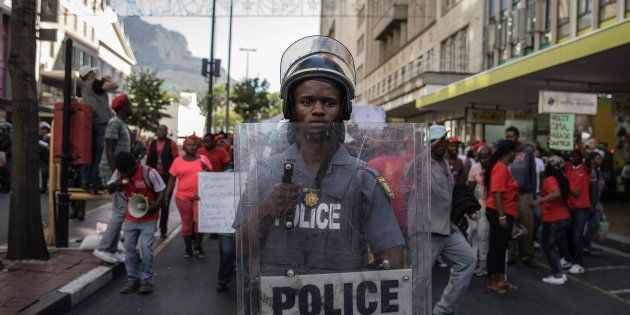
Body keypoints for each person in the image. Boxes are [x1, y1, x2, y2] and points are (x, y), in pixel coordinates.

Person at [234, 36, 407, 309]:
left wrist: (373, 287)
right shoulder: (267, 173)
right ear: (293, 109)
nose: (317, 110)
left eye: (328, 102)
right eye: (306, 101)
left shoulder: (363, 179)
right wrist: (266, 210)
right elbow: (239, 246)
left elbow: (393, 255)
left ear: (343, 110)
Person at [426, 125, 476, 314]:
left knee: (468, 261)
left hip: (447, 226)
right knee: (418, 279)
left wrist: (467, 208)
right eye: (436, 141)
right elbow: (409, 172)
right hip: (427, 229)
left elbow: (451, 191)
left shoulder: (444, 163)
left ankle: (443, 309)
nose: (441, 145)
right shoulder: (421, 162)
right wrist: (428, 148)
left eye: (444, 141)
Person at [107, 151, 165, 294]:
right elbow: (109, 188)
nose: (125, 174)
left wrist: (156, 206)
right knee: (129, 249)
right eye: (122, 172)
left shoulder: (149, 172)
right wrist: (116, 184)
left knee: (145, 248)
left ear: (133, 166)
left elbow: (161, 189)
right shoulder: (120, 173)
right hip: (131, 216)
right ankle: (133, 280)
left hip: (148, 218)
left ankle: (147, 281)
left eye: (126, 172)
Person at [93, 94, 132, 263]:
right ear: (123, 107)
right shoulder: (114, 123)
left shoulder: (120, 123)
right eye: (129, 105)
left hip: (118, 170)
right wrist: (117, 173)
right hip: (113, 172)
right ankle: (104, 248)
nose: (131, 108)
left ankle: (112, 248)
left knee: (119, 210)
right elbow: (109, 150)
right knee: (121, 210)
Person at [165, 136, 212, 258]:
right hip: (182, 197)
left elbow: (211, 177)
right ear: (184, 146)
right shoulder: (177, 161)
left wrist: (206, 169)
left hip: (200, 197)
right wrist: (167, 194)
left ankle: (197, 246)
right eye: (189, 144)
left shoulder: (204, 159)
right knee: (187, 222)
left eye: (194, 144)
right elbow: (171, 179)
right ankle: (187, 248)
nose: (191, 147)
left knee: (200, 223)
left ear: (197, 146)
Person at [485, 139, 519, 294]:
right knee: (496, 248)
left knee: (501, 248)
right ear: (510, 153)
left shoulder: (504, 167)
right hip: (499, 213)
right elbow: (497, 193)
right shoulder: (500, 168)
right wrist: (502, 216)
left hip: (506, 213)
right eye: (515, 152)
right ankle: (492, 281)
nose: (516, 155)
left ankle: (501, 279)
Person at [530, 156, 571, 285]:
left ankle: (558, 274)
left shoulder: (550, 179)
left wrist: (539, 201)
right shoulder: (562, 179)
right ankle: (559, 272)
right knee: (553, 246)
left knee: (548, 246)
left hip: (554, 218)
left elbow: (556, 193)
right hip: (563, 216)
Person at [78, 66, 118, 192]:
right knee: (101, 153)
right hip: (101, 121)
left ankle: (85, 181)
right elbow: (114, 86)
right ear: (89, 74)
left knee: (89, 152)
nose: (95, 73)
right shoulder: (95, 83)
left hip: (90, 121)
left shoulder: (84, 86)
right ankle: (95, 181)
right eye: (92, 72)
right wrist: (106, 80)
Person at [505, 126, 537, 268]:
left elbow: (533, 173)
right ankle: (510, 255)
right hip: (510, 194)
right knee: (511, 225)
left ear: (517, 136)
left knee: (527, 226)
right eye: (507, 137)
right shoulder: (505, 151)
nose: (509, 139)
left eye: (511, 136)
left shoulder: (528, 151)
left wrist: (534, 195)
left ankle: (527, 255)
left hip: (525, 194)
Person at [145, 125, 179, 238]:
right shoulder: (152, 143)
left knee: (165, 202)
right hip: (154, 176)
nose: (162, 131)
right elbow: (148, 159)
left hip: (166, 176)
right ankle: (152, 225)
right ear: (156, 132)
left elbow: (176, 160)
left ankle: (163, 229)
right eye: (159, 129)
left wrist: (173, 175)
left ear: (167, 132)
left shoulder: (172, 144)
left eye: (164, 130)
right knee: (152, 200)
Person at [564, 148, 592, 274]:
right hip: (569, 207)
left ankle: (579, 263)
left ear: (581, 157)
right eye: (571, 156)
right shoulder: (568, 167)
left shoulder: (586, 168)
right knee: (567, 234)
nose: (572, 158)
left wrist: (579, 144)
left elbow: (576, 193)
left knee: (576, 236)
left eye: (575, 156)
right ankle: (568, 259)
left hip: (581, 208)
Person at [467, 145, 491, 277]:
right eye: (480, 158)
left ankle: (487, 265)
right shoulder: (474, 168)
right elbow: (470, 189)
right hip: (481, 205)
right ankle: (481, 265)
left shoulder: (496, 167)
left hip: (494, 207)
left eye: (486, 158)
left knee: (487, 237)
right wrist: (471, 208)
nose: (483, 161)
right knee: (481, 236)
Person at [584, 152, 605, 257]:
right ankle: (582, 245)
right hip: (589, 202)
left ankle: (586, 245)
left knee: (595, 223)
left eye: (600, 159)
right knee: (590, 223)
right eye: (597, 158)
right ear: (592, 160)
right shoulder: (590, 170)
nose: (600, 160)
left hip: (597, 202)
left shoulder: (599, 171)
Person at [39, 121, 51, 193]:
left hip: (49, 158)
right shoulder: (39, 137)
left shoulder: (50, 136)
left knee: (49, 173)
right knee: (43, 173)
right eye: (42, 129)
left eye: (44, 129)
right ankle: (43, 188)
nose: (43, 130)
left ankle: (49, 188)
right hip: (42, 158)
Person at [0, 122, 11, 193]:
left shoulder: (8, 138)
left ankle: (6, 187)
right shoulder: (3, 137)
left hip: (7, 157)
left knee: (5, 172)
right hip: (3, 157)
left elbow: (4, 146)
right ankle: (4, 186)